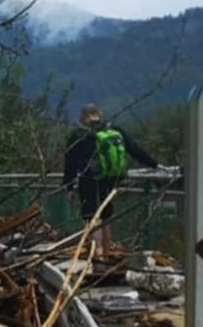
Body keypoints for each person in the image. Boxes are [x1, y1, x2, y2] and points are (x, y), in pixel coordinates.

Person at [63, 104, 158, 253]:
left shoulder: (78, 135)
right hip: (110, 180)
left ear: (83, 117)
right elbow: (134, 149)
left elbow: (70, 162)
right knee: (106, 218)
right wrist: (154, 164)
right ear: (99, 114)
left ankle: (94, 255)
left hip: (88, 181)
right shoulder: (114, 130)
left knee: (90, 217)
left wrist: (68, 187)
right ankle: (106, 254)